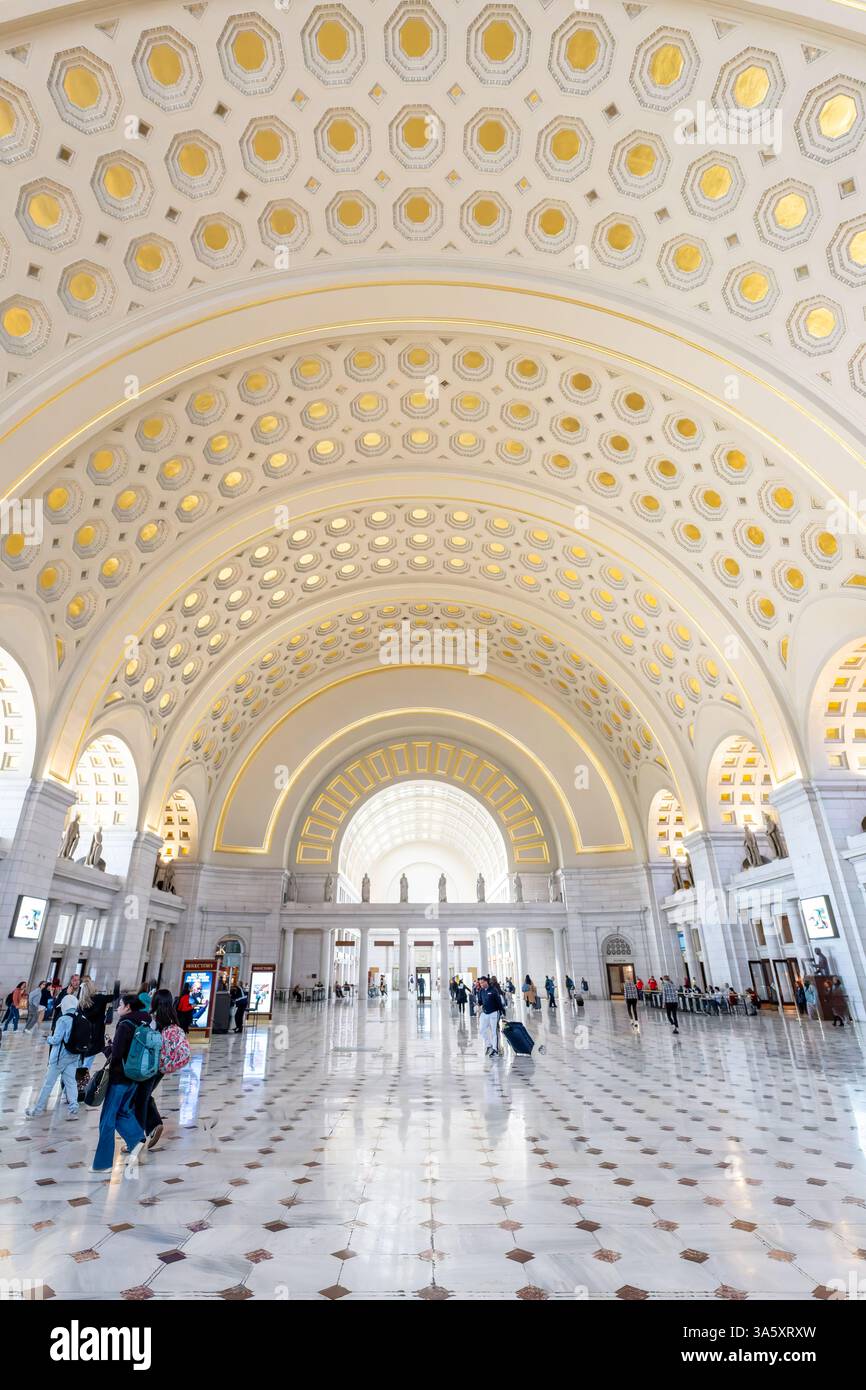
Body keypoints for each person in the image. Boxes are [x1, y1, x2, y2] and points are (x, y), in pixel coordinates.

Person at [91, 992, 151, 1174]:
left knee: (108, 1118)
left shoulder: (125, 1024)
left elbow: (117, 1055)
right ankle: (137, 1140)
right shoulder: (145, 1022)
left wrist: (107, 1049)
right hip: (135, 1076)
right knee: (123, 1112)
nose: (118, 1008)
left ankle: (103, 1164)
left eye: (121, 1005)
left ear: (128, 1007)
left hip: (119, 1078)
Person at [133, 988, 180, 1151]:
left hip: (149, 1065)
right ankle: (153, 1124)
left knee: (138, 1098)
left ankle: (137, 1138)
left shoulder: (152, 1020)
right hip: (162, 1066)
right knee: (144, 1095)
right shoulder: (172, 1020)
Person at [25, 997, 83, 1118]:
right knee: (71, 1082)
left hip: (59, 1057)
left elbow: (56, 1039)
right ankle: (73, 1110)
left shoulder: (63, 1019)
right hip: (74, 1056)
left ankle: (37, 1110)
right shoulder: (81, 1018)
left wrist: (47, 1038)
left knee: (48, 1084)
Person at [478, 976, 503, 1057]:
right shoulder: (481, 991)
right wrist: (477, 1005)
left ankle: (495, 1049)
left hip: (493, 1013)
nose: (481, 984)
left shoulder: (493, 990)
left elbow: (498, 1001)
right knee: (482, 1030)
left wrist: (501, 1011)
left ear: (486, 982)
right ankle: (489, 1045)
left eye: (482, 982)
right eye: (480, 983)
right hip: (485, 1013)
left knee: (493, 1031)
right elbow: (480, 1001)